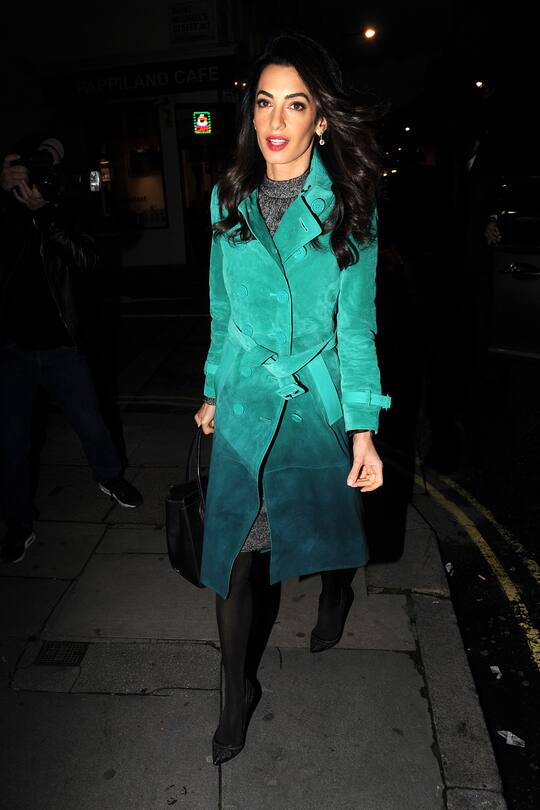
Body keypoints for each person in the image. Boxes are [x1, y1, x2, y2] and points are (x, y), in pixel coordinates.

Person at [193, 33, 391, 766]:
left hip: (315, 407)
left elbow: (357, 327)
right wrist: (215, 389)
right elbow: (221, 309)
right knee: (238, 558)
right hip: (247, 408)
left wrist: (364, 428)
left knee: (325, 526)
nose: (276, 119)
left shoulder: (350, 207)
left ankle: (336, 589)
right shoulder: (228, 195)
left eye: (296, 103)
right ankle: (235, 691)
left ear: (322, 119)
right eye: (265, 101)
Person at [0, 136, 142, 565]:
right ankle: (19, 524)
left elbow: (87, 259)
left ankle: (109, 477)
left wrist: (44, 213)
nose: (32, 184)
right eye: (23, 176)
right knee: (11, 444)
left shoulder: (65, 209)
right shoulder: (5, 211)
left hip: (63, 346)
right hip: (11, 349)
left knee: (92, 423)